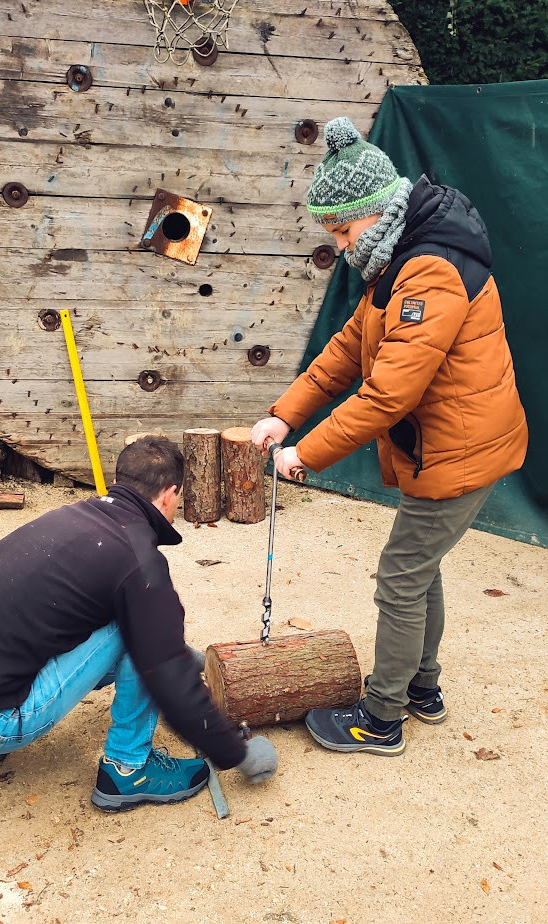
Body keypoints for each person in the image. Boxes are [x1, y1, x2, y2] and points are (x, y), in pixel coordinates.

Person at [251, 116, 527, 756]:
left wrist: (305, 454)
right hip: (440, 446)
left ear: (376, 213)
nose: (342, 246)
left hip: (459, 451)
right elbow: (349, 349)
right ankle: (422, 688)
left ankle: (380, 719)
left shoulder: (429, 271)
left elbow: (387, 394)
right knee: (419, 566)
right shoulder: (398, 255)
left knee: (400, 577)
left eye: (344, 231)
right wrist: (285, 414)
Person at [0, 436, 278, 809]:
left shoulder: (73, 517)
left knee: (121, 619)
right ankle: (127, 770)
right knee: (135, 635)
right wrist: (236, 753)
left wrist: (189, 657)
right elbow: (164, 670)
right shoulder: (138, 559)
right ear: (171, 494)